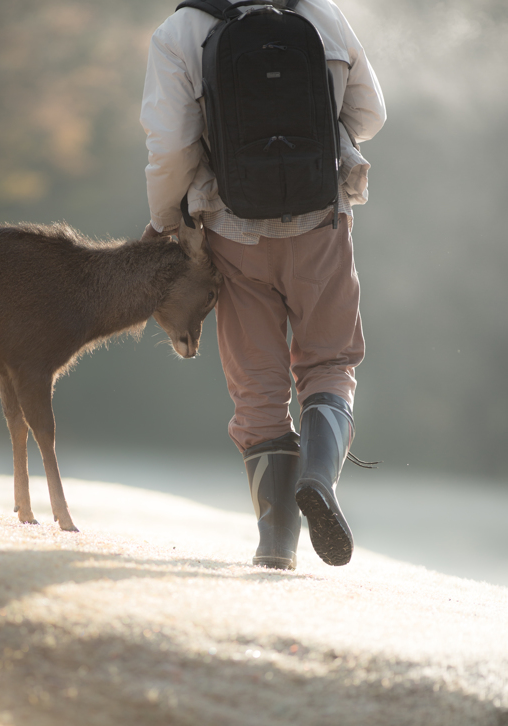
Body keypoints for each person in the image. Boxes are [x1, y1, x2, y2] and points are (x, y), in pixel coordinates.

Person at [140, 0, 386, 569]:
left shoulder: (180, 31)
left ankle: (276, 546)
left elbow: (172, 146)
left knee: (258, 390)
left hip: (233, 233)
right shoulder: (319, 13)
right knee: (329, 364)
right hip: (321, 222)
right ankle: (319, 481)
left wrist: (163, 220)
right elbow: (369, 115)